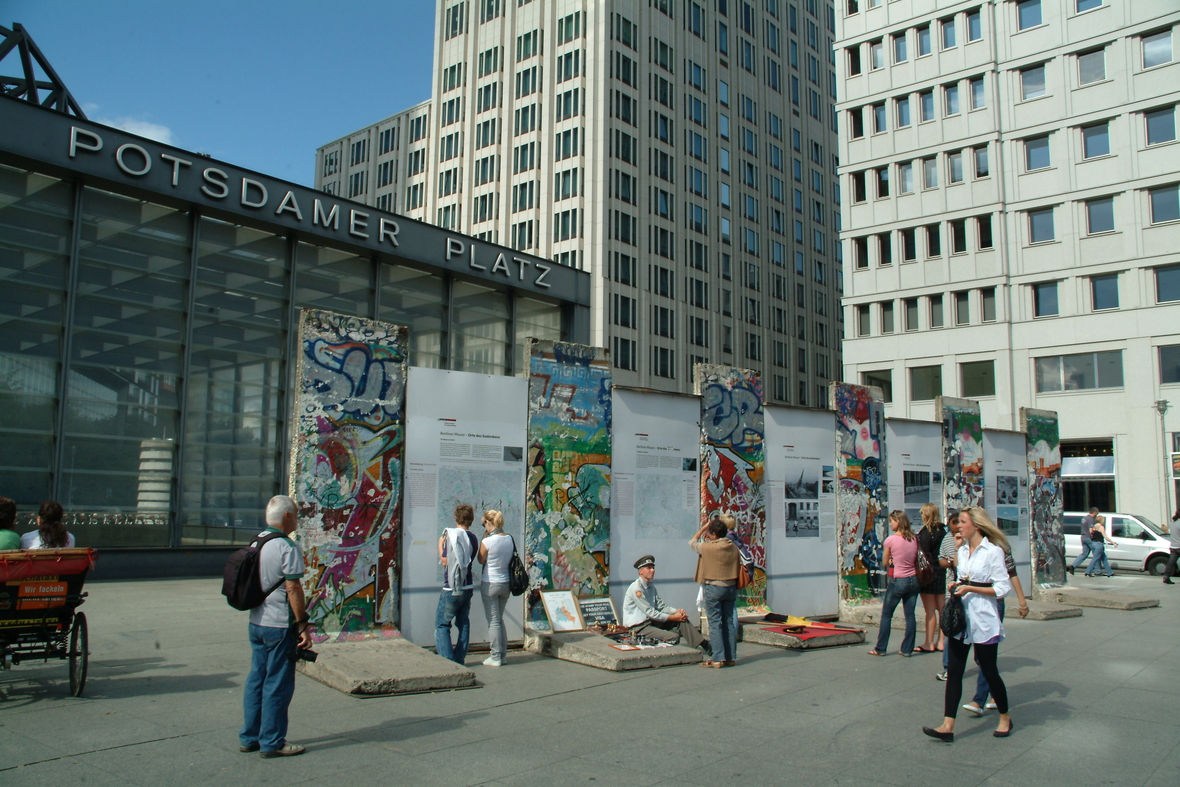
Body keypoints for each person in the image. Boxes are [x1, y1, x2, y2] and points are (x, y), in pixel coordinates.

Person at [922, 506, 1014, 742]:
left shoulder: (993, 552)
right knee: (954, 671)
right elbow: (960, 577)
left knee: (990, 670)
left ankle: (1005, 717)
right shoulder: (961, 551)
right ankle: (947, 725)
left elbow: (1003, 588)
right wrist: (957, 586)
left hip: (984, 619)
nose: (958, 526)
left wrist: (972, 587)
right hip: (962, 618)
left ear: (976, 525)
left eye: (962, 522)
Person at [240, 495, 311, 759]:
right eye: (295, 514)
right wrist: (303, 625)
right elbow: (293, 588)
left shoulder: (256, 542)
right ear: (287, 517)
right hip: (279, 625)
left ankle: (250, 737)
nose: (297, 520)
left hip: (256, 622)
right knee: (278, 684)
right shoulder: (286, 546)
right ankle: (272, 741)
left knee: (256, 679)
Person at [961, 528, 1029, 717]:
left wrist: (1022, 601)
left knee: (985, 658)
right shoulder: (965, 548)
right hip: (970, 605)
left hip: (992, 605)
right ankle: (995, 693)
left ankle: (979, 699)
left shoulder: (997, 548)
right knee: (982, 659)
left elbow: (1011, 574)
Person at [622, 554, 708, 651]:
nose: (652, 570)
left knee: (681, 620)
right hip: (639, 628)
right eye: (649, 568)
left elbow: (661, 606)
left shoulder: (650, 586)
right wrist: (673, 617)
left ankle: (704, 645)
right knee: (674, 637)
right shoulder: (637, 589)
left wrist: (677, 612)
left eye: (653, 568)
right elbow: (650, 612)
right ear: (640, 571)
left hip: (650, 622)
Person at [868, 510, 920, 657]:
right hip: (914, 579)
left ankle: (880, 648)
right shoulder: (914, 538)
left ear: (898, 521)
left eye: (892, 521)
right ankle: (907, 649)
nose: (890, 524)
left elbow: (885, 561)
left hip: (898, 580)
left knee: (886, 615)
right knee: (910, 616)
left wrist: (892, 560)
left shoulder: (890, 540)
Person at [690, 519, 740, 667]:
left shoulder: (708, 548)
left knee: (715, 622)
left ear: (712, 534)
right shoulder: (733, 547)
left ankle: (717, 658)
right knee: (728, 621)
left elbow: (692, 543)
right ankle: (730, 657)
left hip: (713, 587)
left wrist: (703, 528)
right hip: (730, 586)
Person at [437, 504, 479, 664]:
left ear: (456, 517)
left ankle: (447, 661)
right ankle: (459, 658)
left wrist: (440, 544)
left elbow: (445, 561)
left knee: (442, 624)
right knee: (463, 623)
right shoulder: (473, 538)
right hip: (467, 586)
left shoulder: (452, 537)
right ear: (471, 520)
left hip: (451, 587)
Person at [477, 509, 512, 666]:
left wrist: (482, 541)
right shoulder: (509, 538)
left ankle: (496, 656)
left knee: (493, 622)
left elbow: (480, 560)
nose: (484, 526)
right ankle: (502, 655)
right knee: (499, 619)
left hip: (490, 583)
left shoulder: (487, 541)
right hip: (506, 583)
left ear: (489, 523)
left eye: (484, 523)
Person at [916, 503, 947, 653]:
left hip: (928, 573)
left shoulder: (925, 533)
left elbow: (923, 554)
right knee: (942, 608)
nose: (921, 515)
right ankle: (941, 641)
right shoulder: (943, 531)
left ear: (926, 514)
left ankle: (929, 642)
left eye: (922, 513)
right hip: (941, 571)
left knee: (930, 611)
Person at [935, 510, 960, 681]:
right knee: (951, 630)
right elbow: (942, 560)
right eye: (954, 523)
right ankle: (948, 668)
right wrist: (950, 561)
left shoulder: (972, 540)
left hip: (968, 590)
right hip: (952, 589)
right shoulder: (947, 539)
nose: (957, 527)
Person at [1068, 507, 1100, 575]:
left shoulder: (1084, 518)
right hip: (1089, 538)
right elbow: (1090, 530)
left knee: (1084, 554)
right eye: (1097, 513)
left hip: (1083, 537)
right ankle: (1097, 571)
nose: (1097, 515)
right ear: (1094, 513)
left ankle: (1073, 566)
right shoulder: (1091, 519)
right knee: (1096, 554)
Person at [1163, 508, 1180, 585]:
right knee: (1171, 562)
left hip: (1173, 546)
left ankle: (1166, 576)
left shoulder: (1171, 523)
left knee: (1171, 562)